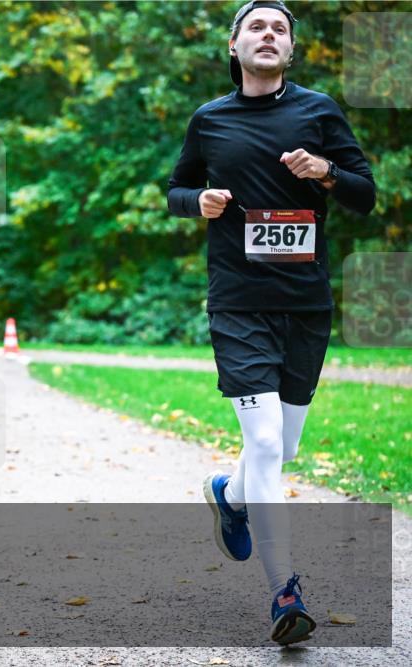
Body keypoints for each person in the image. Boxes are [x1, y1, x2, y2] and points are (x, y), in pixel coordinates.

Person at [166, 0, 375, 647]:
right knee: (261, 443)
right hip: (238, 302)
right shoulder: (210, 119)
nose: (268, 34)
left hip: (306, 305)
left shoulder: (319, 112)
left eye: (279, 28)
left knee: (282, 450)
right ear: (234, 46)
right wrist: (198, 201)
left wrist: (327, 172)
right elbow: (176, 190)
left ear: (290, 49)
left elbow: (366, 194)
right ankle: (285, 589)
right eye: (255, 26)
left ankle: (228, 494)